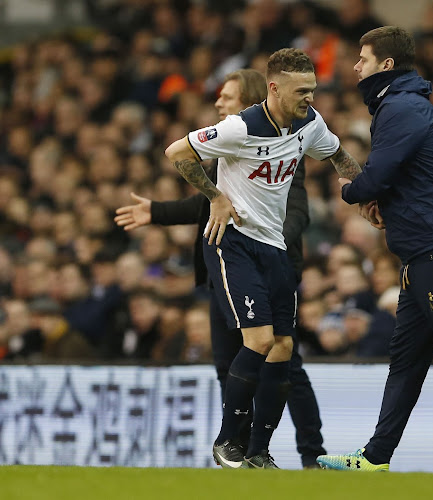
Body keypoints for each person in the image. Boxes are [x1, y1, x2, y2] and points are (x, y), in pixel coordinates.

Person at [316, 26, 433, 474]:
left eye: (362, 59)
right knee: (405, 362)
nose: (355, 67)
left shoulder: (400, 107)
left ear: (385, 65)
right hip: (423, 252)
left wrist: (354, 191)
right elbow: (406, 177)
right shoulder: (399, 105)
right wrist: (384, 202)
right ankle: (375, 457)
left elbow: (378, 174)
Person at [114, 68, 328, 467]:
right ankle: (242, 451)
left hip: (268, 269)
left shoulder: (278, 144)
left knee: (284, 363)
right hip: (226, 272)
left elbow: (295, 210)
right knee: (228, 364)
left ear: (248, 100)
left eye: (226, 98)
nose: (218, 104)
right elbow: (209, 203)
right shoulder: (230, 151)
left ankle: (310, 455)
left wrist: (259, 231)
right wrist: (157, 212)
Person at [163, 49, 363, 469]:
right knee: (259, 339)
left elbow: (339, 157)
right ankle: (226, 441)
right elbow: (177, 152)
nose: (309, 97)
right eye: (300, 90)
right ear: (274, 88)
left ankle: (258, 452)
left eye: (312, 89)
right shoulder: (240, 127)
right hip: (233, 240)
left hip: (275, 246)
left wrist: (368, 194)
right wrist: (215, 196)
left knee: (284, 347)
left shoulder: (310, 123)